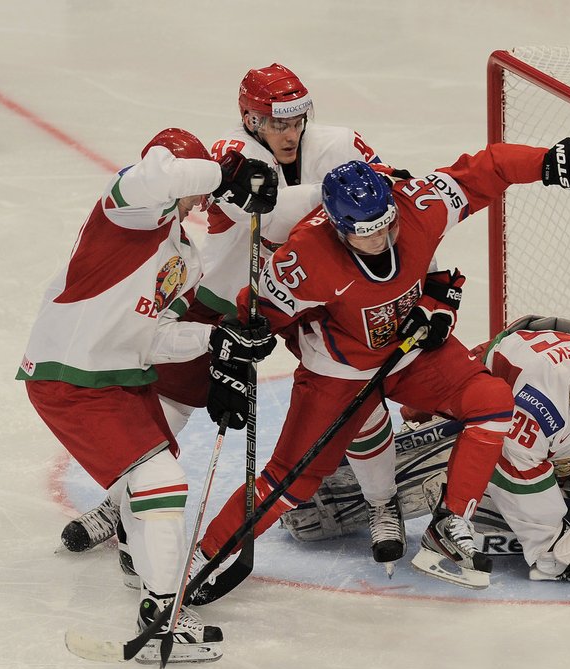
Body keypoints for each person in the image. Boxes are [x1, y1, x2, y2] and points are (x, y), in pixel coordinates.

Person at [195, 138, 570, 591]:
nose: (382, 237)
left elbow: (486, 170)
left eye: (386, 224)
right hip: (339, 375)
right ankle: (202, 558)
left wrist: (548, 162)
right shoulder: (302, 260)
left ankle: (450, 523)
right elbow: (252, 320)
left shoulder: (417, 205)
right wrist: (236, 360)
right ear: (339, 229)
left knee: (492, 401)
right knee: (288, 484)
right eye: (367, 232)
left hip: (413, 354)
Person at [62, 63, 406, 571]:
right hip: (234, 303)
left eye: (296, 121)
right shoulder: (228, 156)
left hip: (322, 302)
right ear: (250, 118)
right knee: (170, 404)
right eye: (277, 123)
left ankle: (382, 504)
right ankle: (120, 506)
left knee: (355, 402)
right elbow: (266, 214)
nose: (290, 134)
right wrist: (327, 194)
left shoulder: (341, 144)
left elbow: (398, 202)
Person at [19, 128, 277, 663]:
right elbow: (159, 175)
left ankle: (156, 602)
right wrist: (224, 171)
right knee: (159, 480)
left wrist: (217, 339)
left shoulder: (183, 253)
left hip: (120, 378)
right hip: (72, 377)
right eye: (197, 177)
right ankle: (162, 617)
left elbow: (154, 335)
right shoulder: (128, 212)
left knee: (152, 486)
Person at [279, 315, 570, 587]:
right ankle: (315, 499)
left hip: (559, 344)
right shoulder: (537, 411)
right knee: (450, 460)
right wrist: (554, 547)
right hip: (494, 370)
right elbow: (515, 469)